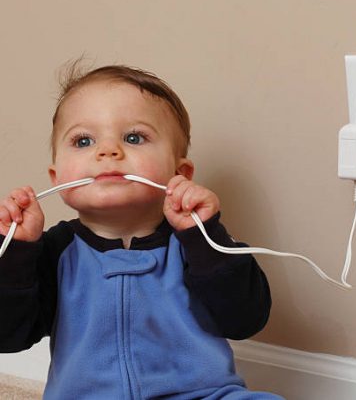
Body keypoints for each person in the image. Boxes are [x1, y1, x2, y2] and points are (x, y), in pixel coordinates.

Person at [0, 63, 284, 399]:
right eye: (83, 140)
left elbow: (246, 319)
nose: (108, 151)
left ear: (180, 173)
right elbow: (9, 335)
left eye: (134, 137)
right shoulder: (54, 252)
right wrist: (17, 253)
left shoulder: (196, 242)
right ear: (57, 178)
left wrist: (204, 234)